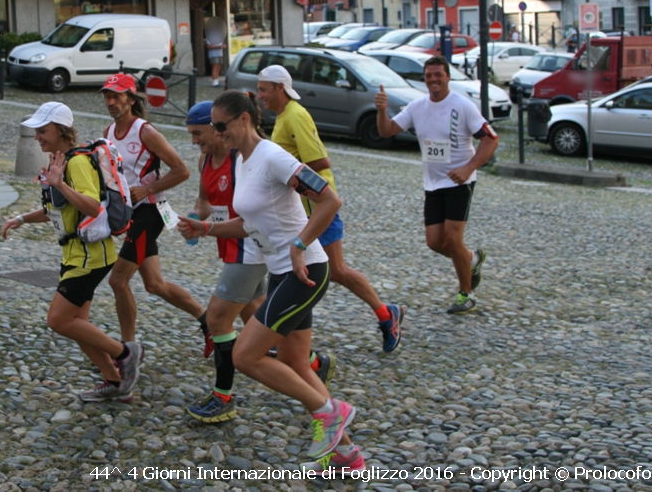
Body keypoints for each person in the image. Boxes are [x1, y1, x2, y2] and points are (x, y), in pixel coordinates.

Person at [178, 91, 362, 472]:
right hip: (282, 273)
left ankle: (330, 412)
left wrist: (300, 243)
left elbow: (330, 200)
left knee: (246, 356)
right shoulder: (243, 160)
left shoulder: (273, 157)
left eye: (221, 126)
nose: (217, 133)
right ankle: (346, 455)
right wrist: (206, 228)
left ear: (245, 119)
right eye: (213, 126)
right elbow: (250, 223)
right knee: (296, 363)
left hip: (305, 271)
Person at [256, 65, 405, 353]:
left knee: (334, 270)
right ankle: (283, 337)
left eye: (264, 89)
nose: (261, 95)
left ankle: (387, 314)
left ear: (280, 88)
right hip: (301, 210)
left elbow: (322, 161)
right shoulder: (285, 116)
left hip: (318, 207)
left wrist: (285, 174)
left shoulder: (295, 115)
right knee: (296, 271)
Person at [1, 102, 144, 402]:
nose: (37, 136)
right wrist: (21, 219)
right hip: (75, 254)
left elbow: (92, 207)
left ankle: (125, 354)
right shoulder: (61, 160)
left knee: (59, 320)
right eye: (36, 131)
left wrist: (61, 185)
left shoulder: (77, 163)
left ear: (62, 131)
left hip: (90, 257)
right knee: (78, 324)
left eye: (43, 130)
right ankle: (115, 382)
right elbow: (58, 209)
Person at [375, 56, 499, 314]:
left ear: (447, 77)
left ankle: (466, 294)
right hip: (433, 183)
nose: (433, 80)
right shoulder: (417, 106)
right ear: (424, 78)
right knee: (434, 242)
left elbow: (491, 139)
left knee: (453, 238)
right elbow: (386, 131)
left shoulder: (462, 106)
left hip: (459, 181)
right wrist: (382, 110)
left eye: (438, 75)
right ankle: (472, 259)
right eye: (429, 75)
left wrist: (468, 168)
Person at [101, 73, 211, 353]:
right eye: (107, 96)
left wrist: (147, 189)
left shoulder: (145, 131)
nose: (111, 102)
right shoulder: (108, 132)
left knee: (118, 280)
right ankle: (207, 320)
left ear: (131, 99)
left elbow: (182, 171)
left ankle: (128, 350)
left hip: (149, 213)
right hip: (130, 214)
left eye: (117, 96)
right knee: (155, 284)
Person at [205, 16, 228, 87]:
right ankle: (214, 82)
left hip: (219, 53)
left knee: (218, 67)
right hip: (213, 54)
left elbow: (221, 43)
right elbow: (208, 46)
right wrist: (218, 47)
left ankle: (217, 81)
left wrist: (223, 45)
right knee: (215, 67)